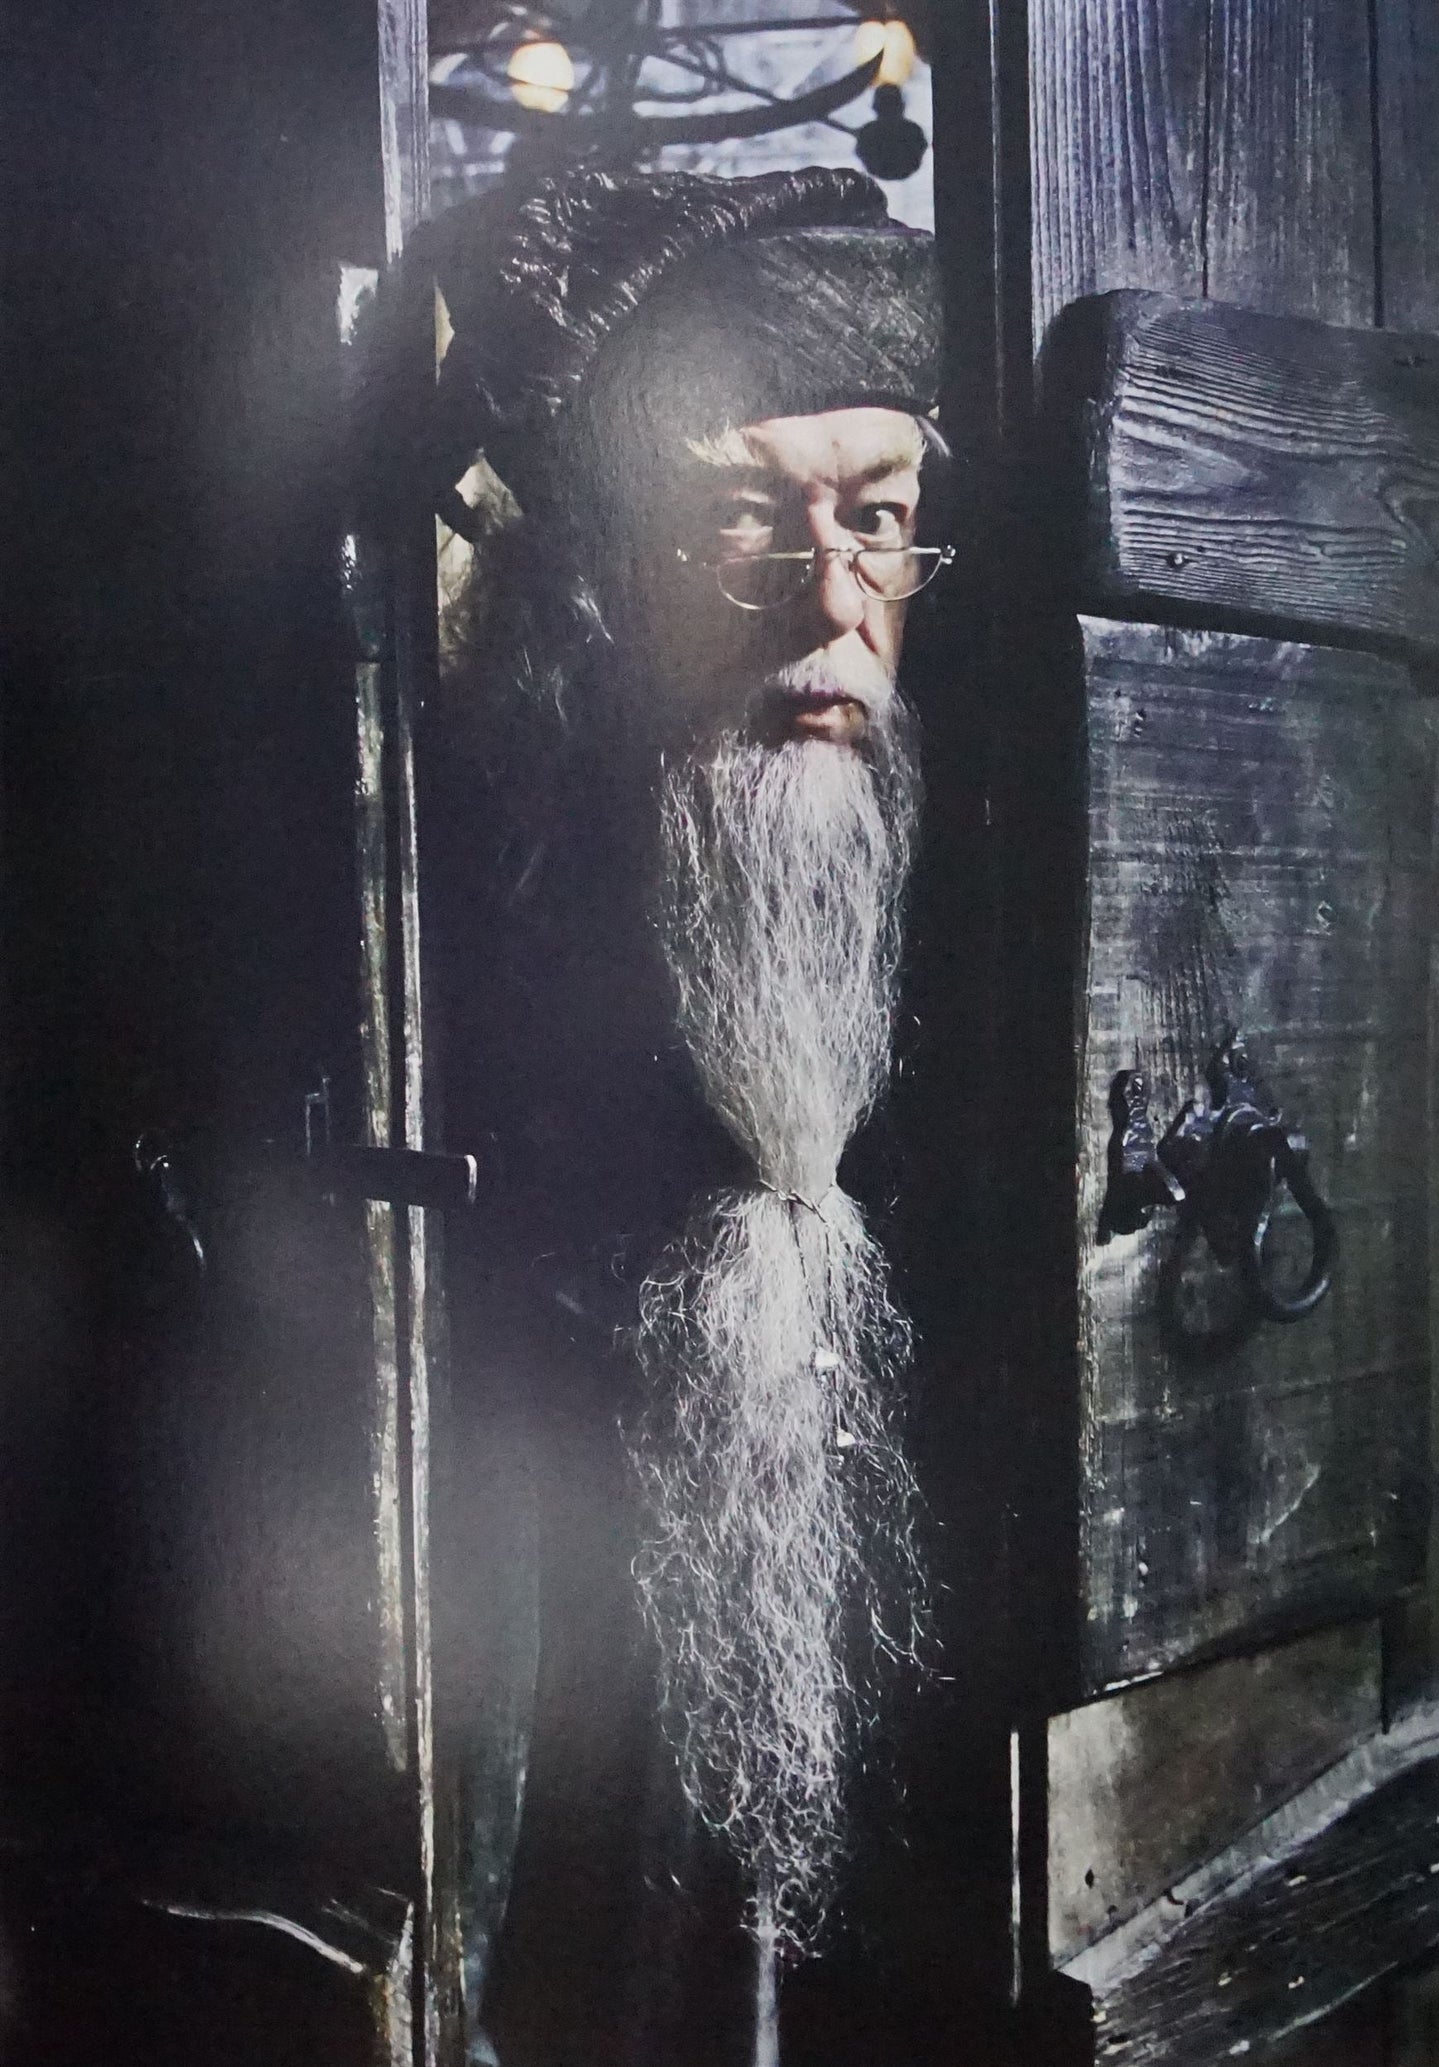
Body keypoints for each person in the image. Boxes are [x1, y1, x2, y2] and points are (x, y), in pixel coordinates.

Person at [405, 164, 949, 2067]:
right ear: (598, 571)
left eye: (878, 519)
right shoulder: (469, 903)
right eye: (739, 519)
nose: (831, 598)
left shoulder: (974, 862)